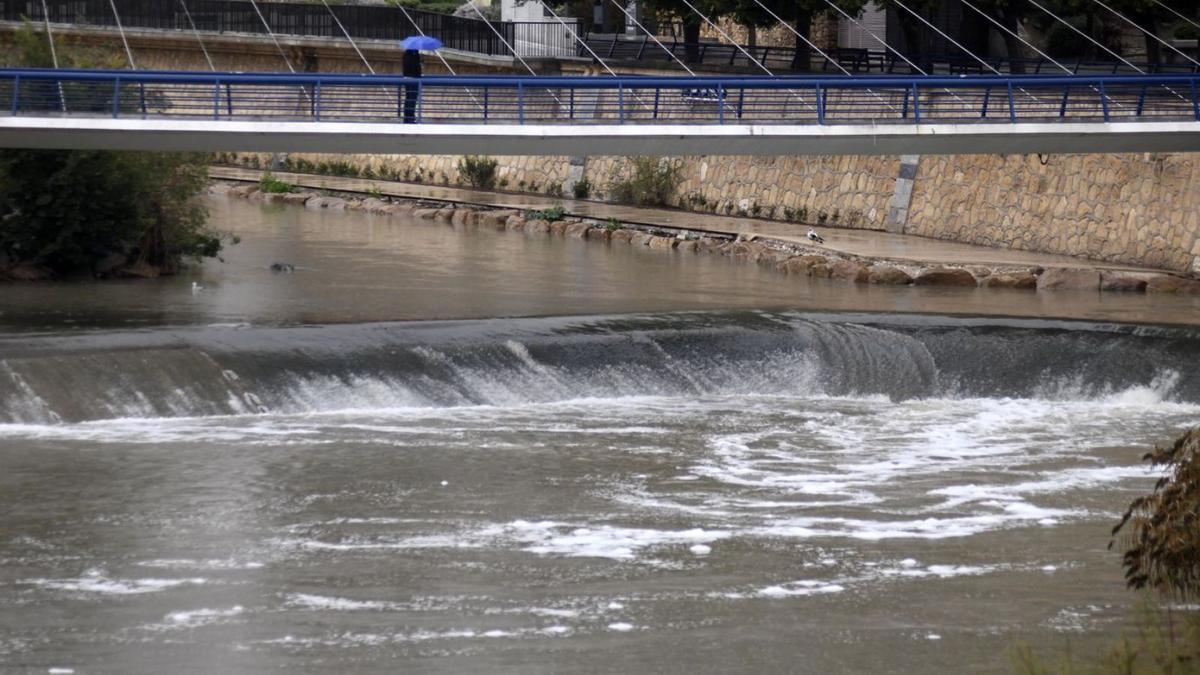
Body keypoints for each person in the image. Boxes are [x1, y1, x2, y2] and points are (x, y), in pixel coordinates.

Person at [402, 48, 422, 124]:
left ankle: (407, 117)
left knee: (408, 98)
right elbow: (415, 68)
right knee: (412, 99)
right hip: (413, 79)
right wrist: (419, 64)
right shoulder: (414, 55)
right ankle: (410, 117)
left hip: (407, 78)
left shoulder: (405, 55)